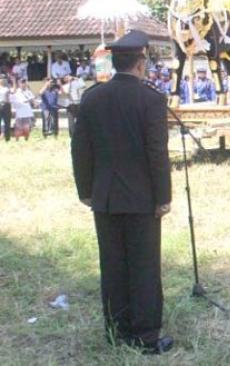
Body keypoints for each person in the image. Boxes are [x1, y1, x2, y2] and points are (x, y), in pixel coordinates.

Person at [70, 30, 173, 354]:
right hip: (143, 198)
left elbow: (80, 148)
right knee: (144, 267)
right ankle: (146, 336)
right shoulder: (151, 99)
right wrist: (164, 197)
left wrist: (85, 190)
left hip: (104, 197)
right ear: (141, 63)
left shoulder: (92, 97)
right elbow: (157, 152)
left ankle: (117, 330)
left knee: (113, 266)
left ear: (114, 63)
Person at [0, 77, 11, 142]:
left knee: (7, 122)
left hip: (6, 105)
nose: (2, 80)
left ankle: (7, 138)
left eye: (2, 79)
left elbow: (12, 92)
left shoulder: (6, 88)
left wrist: (14, 82)